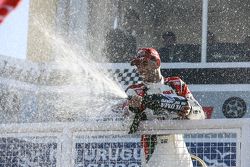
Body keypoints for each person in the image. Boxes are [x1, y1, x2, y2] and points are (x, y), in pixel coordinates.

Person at [125, 48, 205, 167]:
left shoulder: (176, 84)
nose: (140, 69)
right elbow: (127, 126)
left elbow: (201, 115)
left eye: (144, 63)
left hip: (180, 149)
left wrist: (189, 110)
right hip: (154, 151)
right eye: (137, 65)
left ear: (157, 63)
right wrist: (134, 109)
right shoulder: (134, 91)